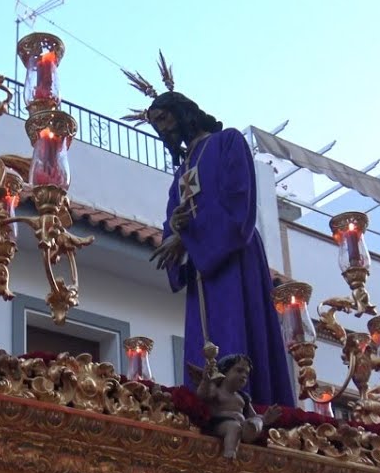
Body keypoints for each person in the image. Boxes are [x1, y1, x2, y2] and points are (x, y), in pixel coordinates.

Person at [124, 57, 295, 408]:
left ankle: (249, 406)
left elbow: (239, 203)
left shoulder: (228, 142)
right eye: (156, 125)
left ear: (183, 112)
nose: (163, 130)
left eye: (164, 119)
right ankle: (208, 406)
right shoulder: (181, 174)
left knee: (236, 331)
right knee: (204, 349)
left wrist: (189, 235)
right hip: (201, 272)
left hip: (234, 260)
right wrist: (175, 237)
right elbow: (173, 221)